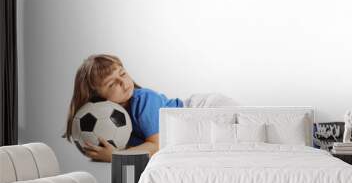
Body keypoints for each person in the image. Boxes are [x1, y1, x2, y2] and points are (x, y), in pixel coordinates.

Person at [63, 54, 240, 163]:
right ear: (98, 97)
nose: (123, 82)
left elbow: (156, 146)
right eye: (112, 84)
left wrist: (116, 157)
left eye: (123, 73)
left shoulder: (143, 99)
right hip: (195, 131)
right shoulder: (109, 119)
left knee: (249, 135)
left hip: (204, 110)